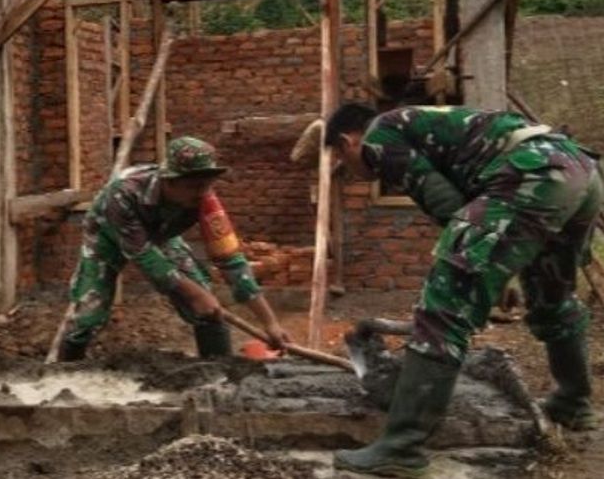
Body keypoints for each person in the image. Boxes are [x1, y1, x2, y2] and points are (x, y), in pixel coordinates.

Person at [325, 104, 601, 476]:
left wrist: (481, 264)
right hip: (577, 169)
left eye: (343, 161)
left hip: (532, 174)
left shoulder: (378, 136)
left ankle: (402, 447)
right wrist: (496, 267)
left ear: (347, 141)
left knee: (444, 304)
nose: (353, 173)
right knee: (552, 296)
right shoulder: (422, 121)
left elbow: (445, 202)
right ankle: (573, 403)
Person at [55, 136, 291, 361]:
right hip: (106, 236)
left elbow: (230, 259)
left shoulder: (204, 198)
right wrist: (197, 294)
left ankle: (220, 375)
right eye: (193, 186)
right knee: (90, 312)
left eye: (206, 186)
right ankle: (64, 374)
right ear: (169, 182)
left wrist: (269, 322)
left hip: (160, 234)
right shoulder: (123, 193)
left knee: (206, 309)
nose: (201, 193)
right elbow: (144, 256)